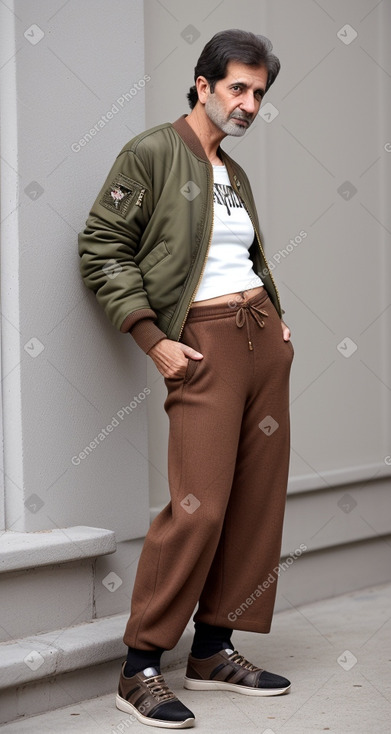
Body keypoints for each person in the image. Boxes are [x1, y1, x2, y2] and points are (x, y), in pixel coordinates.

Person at [78, 28, 294, 730]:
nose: (249, 103)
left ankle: (213, 649)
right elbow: (102, 246)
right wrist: (154, 340)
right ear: (201, 85)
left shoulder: (235, 171)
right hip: (200, 344)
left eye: (258, 92)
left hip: (261, 341)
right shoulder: (153, 152)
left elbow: (244, 258)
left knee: (255, 500)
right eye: (237, 87)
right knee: (196, 505)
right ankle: (140, 666)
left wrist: (279, 319)